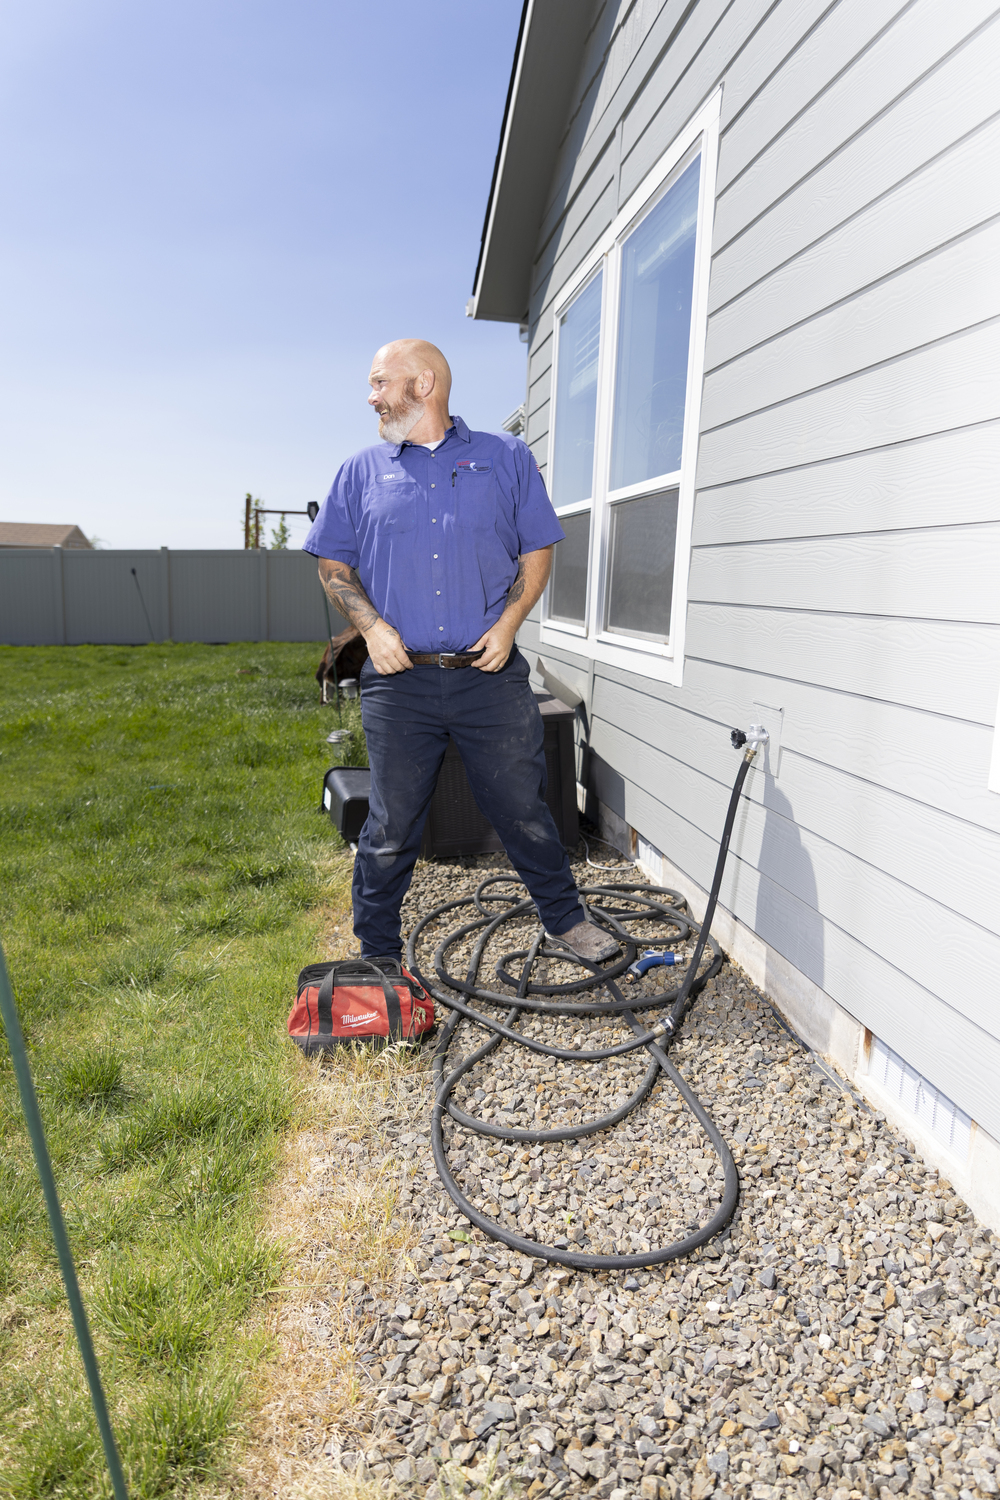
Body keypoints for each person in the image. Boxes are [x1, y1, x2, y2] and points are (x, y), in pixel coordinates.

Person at [303, 338, 617, 966]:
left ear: (423, 384)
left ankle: (566, 921)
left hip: (488, 676)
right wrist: (373, 630)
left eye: (380, 382)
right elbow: (332, 565)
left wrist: (509, 625)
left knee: (523, 808)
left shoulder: (505, 457)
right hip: (399, 683)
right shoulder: (359, 471)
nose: (371, 397)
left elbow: (537, 549)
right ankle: (377, 953)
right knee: (391, 824)